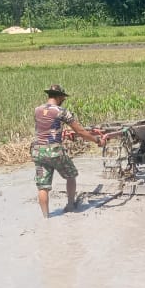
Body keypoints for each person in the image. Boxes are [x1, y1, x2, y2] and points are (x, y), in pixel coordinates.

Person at [32, 84, 104, 218]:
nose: (64, 100)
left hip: (37, 151)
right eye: (63, 98)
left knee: (43, 186)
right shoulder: (62, 111)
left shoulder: (37, 110)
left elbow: (45, 128)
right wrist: (97, 140)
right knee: (71, 175)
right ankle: (70, 205)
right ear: (59, 97)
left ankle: (46, 218)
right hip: (54, 151)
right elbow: (81, 131)